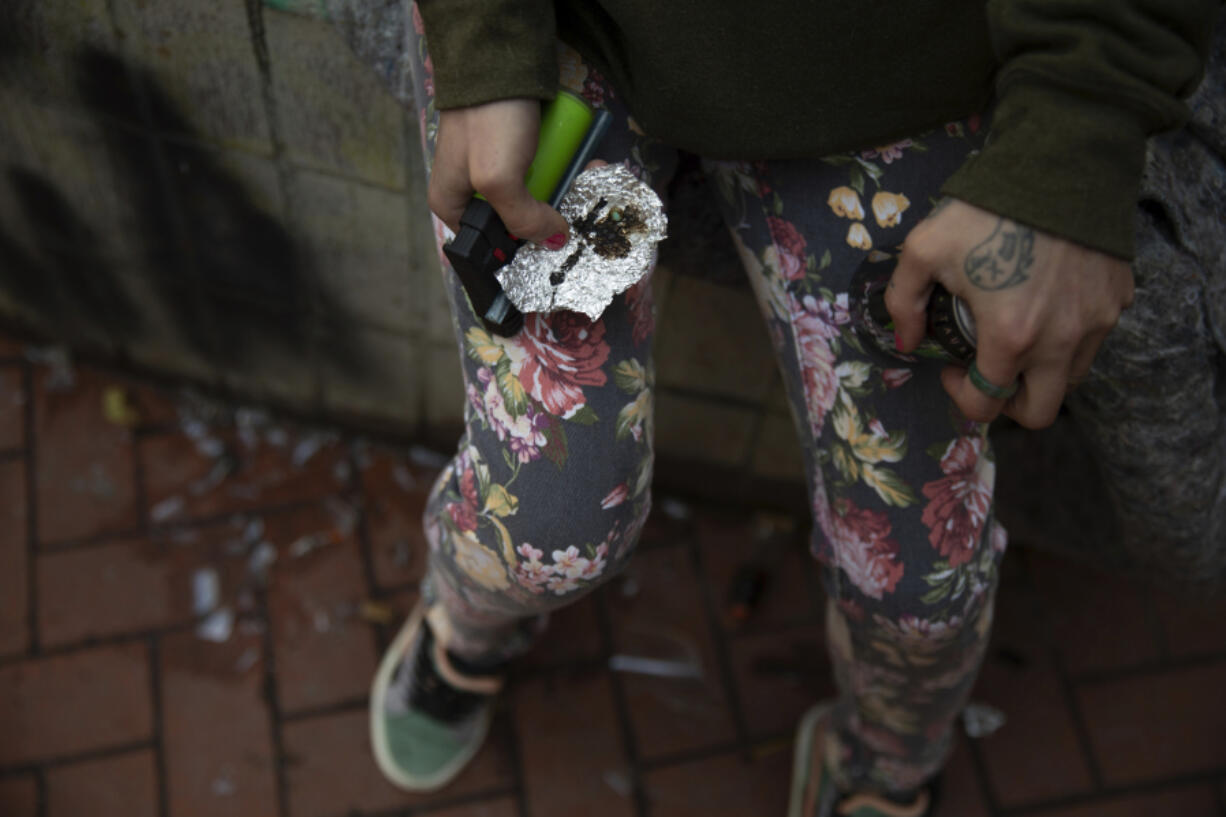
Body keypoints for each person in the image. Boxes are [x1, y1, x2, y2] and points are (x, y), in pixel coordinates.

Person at [367, 2, 1220, 814]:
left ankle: (882, 765)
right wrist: (483, 42)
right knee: (545, 531)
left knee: (921, 588)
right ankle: (467, 631)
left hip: (887, 77)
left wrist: (1075, 139)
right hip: (574, 34)